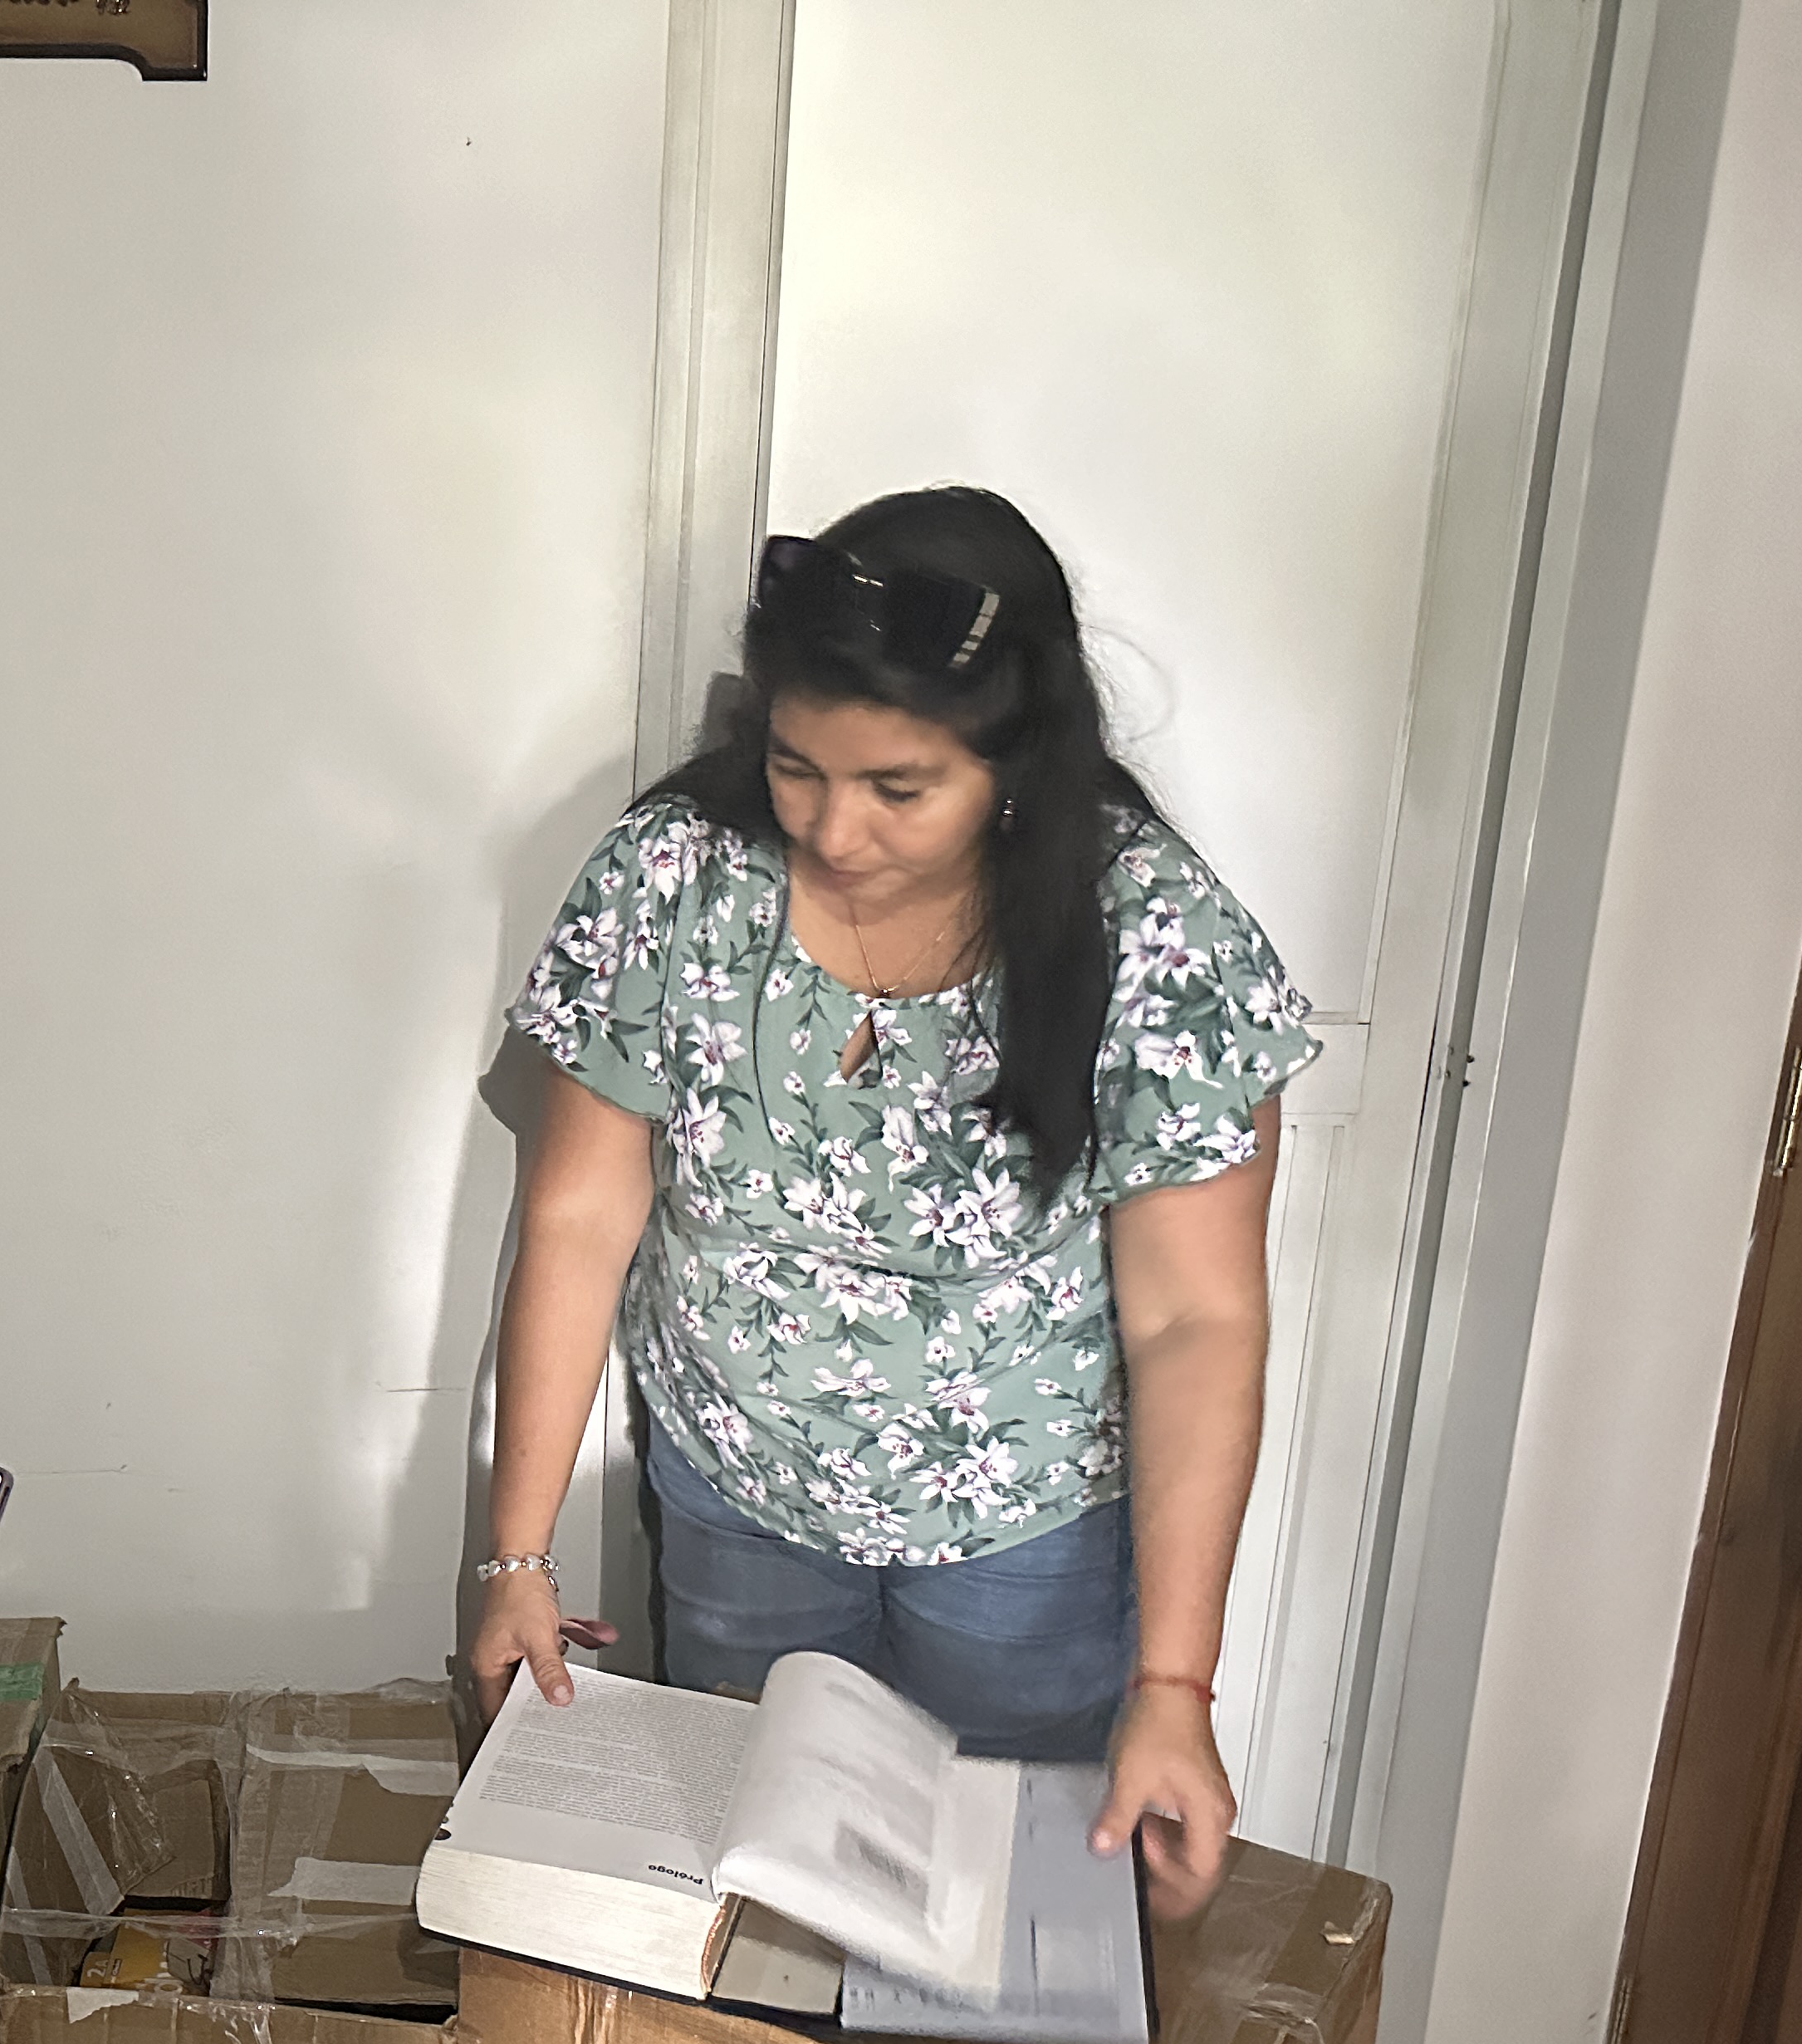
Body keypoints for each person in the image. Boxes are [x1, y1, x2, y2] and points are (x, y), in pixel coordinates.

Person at [469, 486, 1316, 1919]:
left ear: (1015, 765)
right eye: (796, 768)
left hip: (1025, 1543)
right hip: (739, 1501)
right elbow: (579, 1219)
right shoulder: (673, 877)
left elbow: (1196, 1320)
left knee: (992, 1928)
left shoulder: (1153, 933)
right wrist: (518, 1554)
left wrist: (1174, 1689)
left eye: (898, 789)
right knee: (760, 1916)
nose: (834, 829)